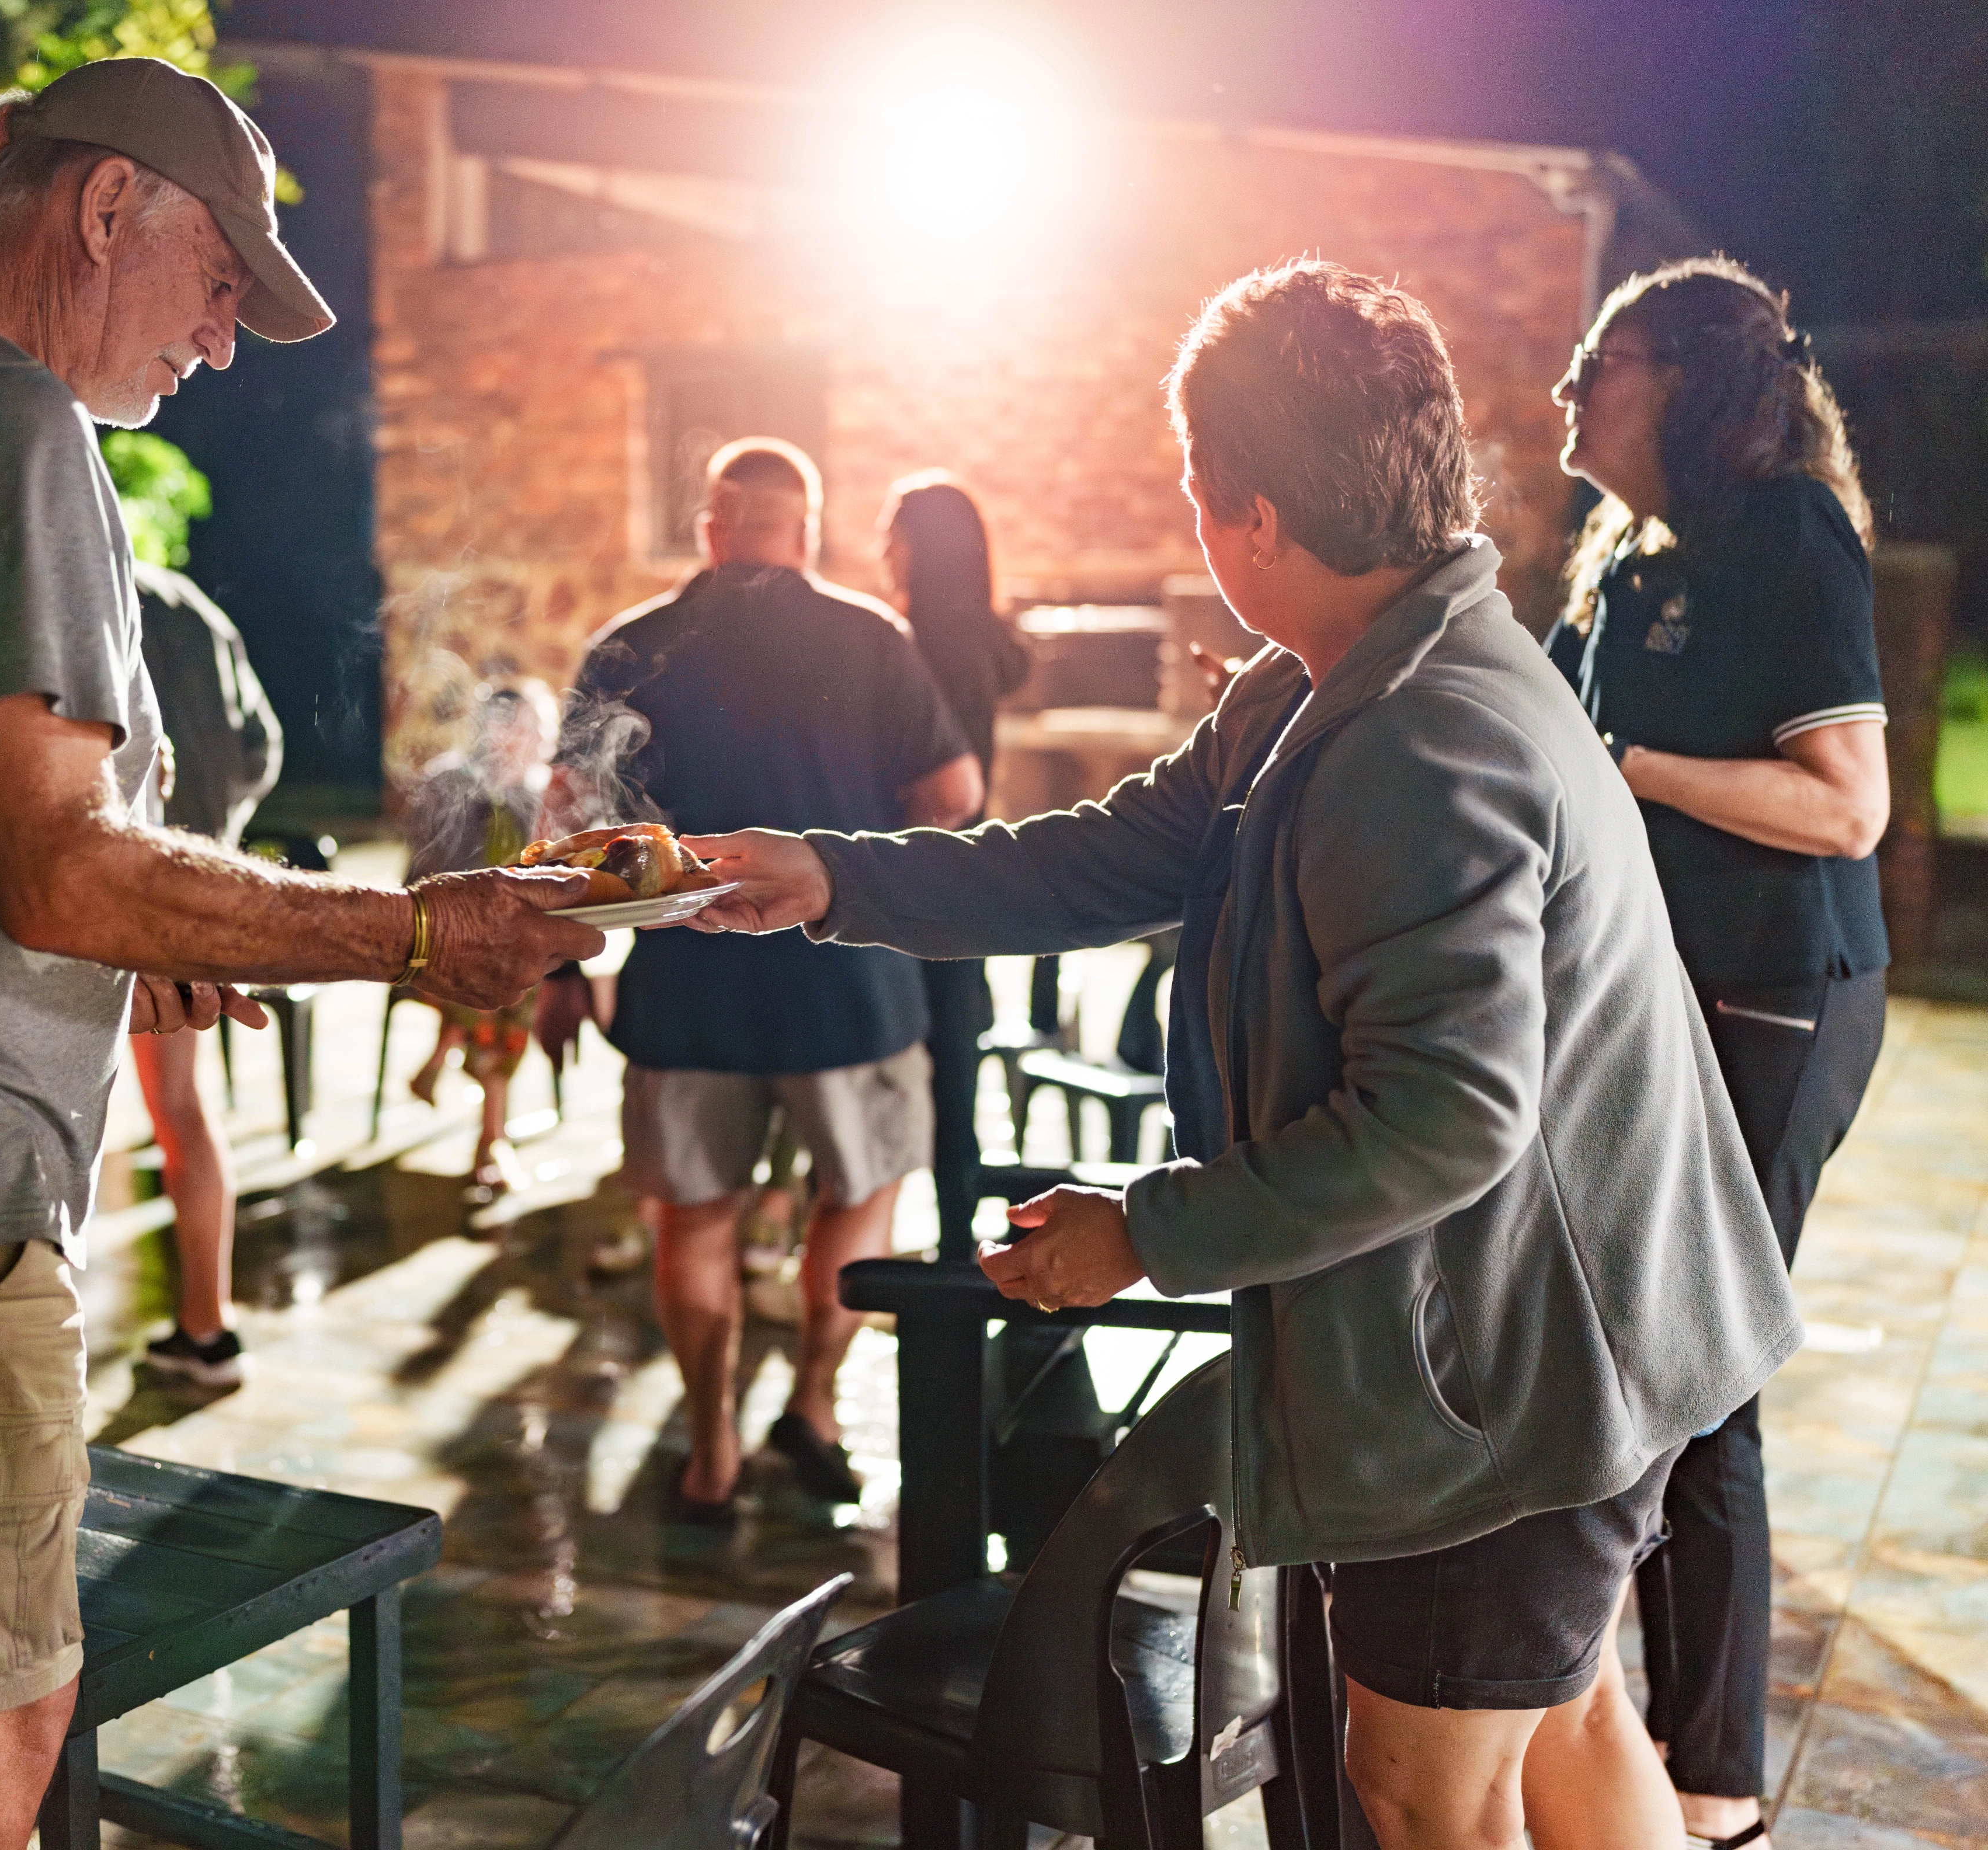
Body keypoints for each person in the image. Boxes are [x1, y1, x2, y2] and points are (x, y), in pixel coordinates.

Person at [0, 58, 599, 1850]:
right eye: (222, 287)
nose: (221, 346)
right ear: (106, 207)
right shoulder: (4, 421)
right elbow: (57, 866)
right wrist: (415, 930)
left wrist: (147, 942)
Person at [689, 263, 1799, 1850]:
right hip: (1576, 1341)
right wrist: (832, 875)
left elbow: (1437, 1124)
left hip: (1512, 1377)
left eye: (1205, 496)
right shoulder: (1330, 676)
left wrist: (1146, 1230)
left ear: (1256, 516)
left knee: (1429, 1795)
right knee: (1566, 1722)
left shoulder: (1427, 731)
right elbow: (1107, 858)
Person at [1546, 258, 1891, 1850]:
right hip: (1662, 993)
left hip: (1777, 996)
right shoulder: (1625, 554)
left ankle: (1717, 1783)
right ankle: (1620, 1727)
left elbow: (1848, 806)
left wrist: (1635, 771)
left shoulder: (1788, 532)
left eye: (1600, 365)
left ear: (1686, 382)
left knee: (1700, 1370)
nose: (1567, 391)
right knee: (1640, 1357)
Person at [565, 436, 981, 1522]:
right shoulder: (870, 637)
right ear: (806, 525)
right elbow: (957, 790)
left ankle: (708, 1453)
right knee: (859, 1196)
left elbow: (570, 814)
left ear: (711, 524)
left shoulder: (630, 645)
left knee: (693, 1222)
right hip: (848, 983)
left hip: (684, 987)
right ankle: (813, 1406)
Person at [130, 562, 281, 1389]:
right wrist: (215, 829)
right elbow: (263, 747)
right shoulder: (193, 607)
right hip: (194, 886)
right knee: (184, 1109)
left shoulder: (67, 581)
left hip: (103, 888)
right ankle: (207, 1323)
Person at [875, 472, 1028, 1236]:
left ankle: (953, 1245)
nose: (883, 553)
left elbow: (946, 786)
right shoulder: (964, 638)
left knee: (942, 1069)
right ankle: (953, 1233)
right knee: (952, 1066)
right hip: (959, 876)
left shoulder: (940, 646)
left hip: (929, 874)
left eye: (894, 536)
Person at [405, 681, 561, 1200]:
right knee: (500, 980)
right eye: (515, 726)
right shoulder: (451, 782)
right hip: (441, 934)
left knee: (511, 974)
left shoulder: (546, 794)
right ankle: (491, 1140)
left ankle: (442, 1058)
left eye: (535, 728)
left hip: (528, 941)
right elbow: (428, 872)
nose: (526, 738)